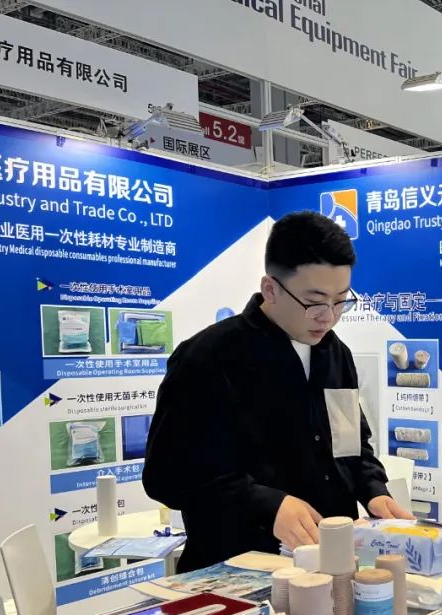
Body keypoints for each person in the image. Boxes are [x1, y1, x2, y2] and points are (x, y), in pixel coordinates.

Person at [144, 212, 412, 572]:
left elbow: (350, 446)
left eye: (340, 301)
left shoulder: (336, 355)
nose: (328, 317)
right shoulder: (208, 356)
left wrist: (374, 490)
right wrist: (266, 504)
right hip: (238, 570)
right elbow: (167, 477)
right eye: (315, 302)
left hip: (329, 565)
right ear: (270, 289)